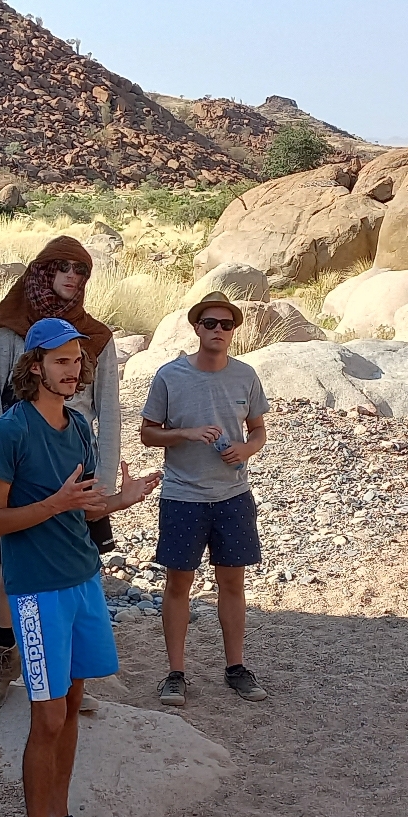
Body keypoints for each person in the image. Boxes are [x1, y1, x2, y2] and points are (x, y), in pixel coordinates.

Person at [0, 319, 159, 817]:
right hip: (36, 590)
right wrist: (56, 502)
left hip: (84, 581)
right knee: (47, 717)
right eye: (61, 361)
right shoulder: (10, 431)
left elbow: (83, 509)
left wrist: (118, 502)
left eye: (78, 361)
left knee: (75, 701)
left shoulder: (79, 426)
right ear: (35, 365)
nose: (74, 370)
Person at [0, 237, 120, 717]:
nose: (74, 277)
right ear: (42, 271)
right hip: (23, 459)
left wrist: (107, 485)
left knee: (79, 566)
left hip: (77, 458)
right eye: (64, 268)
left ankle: (68, 671)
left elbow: (109, 411)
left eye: (82, 270)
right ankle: (5, 657)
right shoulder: (13, 329)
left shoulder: (93, 337)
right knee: (10, 569)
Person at [139, 291, 270, 706]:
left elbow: (259, 432)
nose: (218, 330)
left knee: (233, 582)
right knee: (179, 582)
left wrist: (245, 450)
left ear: (234, 331)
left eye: (226, 324)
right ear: (196, 327)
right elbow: (147, 433)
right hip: (182, 495)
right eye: (209, 323)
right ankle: (175, 673)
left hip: (233, 494)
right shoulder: (169, 376)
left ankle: (236, 668)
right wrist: (185, 433)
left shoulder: (245, 376)